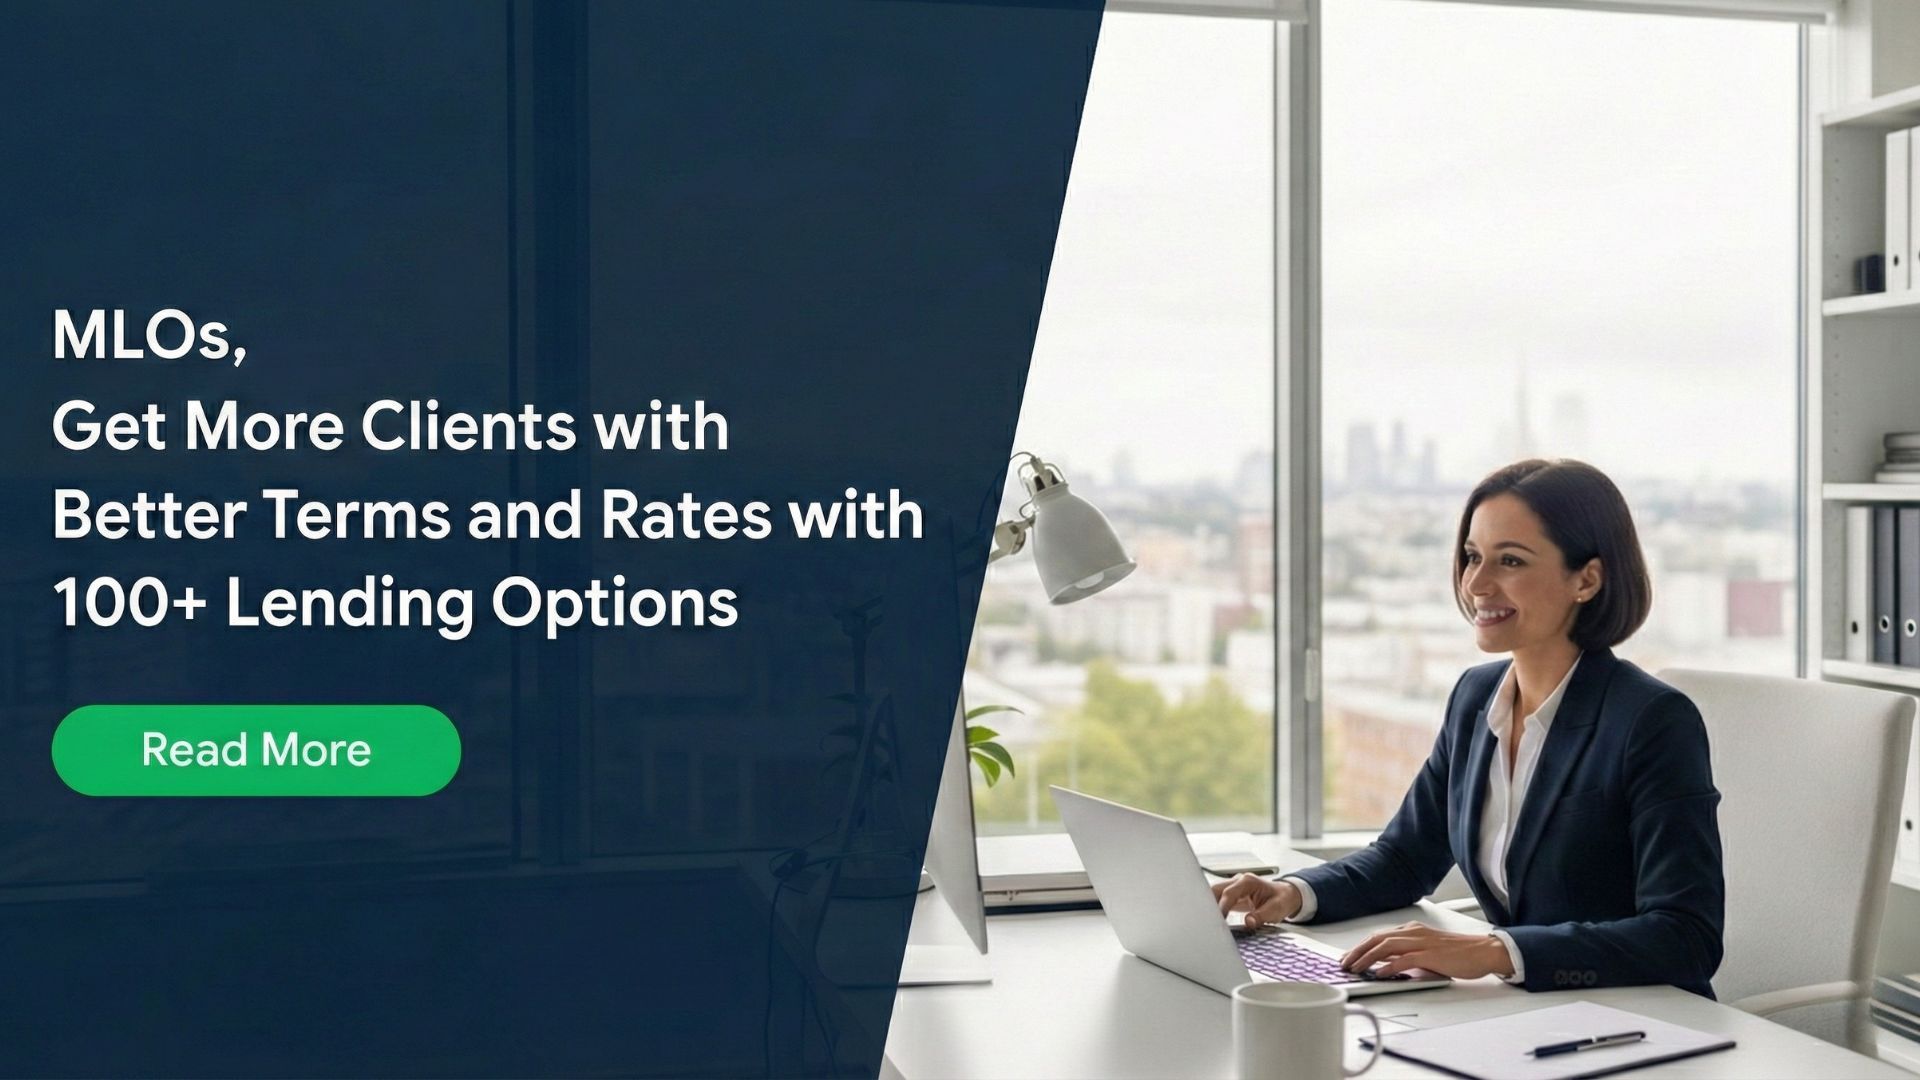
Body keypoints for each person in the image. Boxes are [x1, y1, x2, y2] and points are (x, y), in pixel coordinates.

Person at [1215, 459, 1724, 997]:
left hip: (1640, 1021)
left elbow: (1686, 937)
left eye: (1510, 561)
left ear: (1587, 579)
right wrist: (1291, 893)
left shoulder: (1651, 720)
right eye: (1472, 557)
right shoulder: (1475, 697)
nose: (1477, 583)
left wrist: (1495, 951)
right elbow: (1405, 858)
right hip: (1523, 1012)